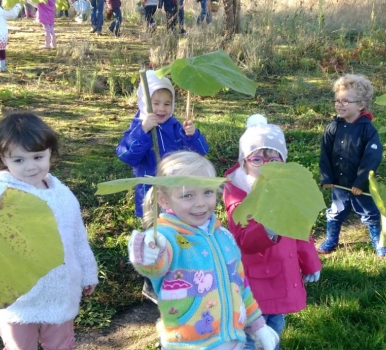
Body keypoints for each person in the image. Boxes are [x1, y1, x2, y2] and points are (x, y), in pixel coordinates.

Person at [0, 113, 99, 350]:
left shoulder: (62, 194)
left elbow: (77, 237)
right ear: (3, 159)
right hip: (17, 296)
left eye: (38, 157)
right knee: (20, 346)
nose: (30, 167)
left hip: (59, 289)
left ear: (50, 153)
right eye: (19, 160)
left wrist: (88, 272)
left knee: (61, 344)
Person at [127, 151, 280, 350]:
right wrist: (148, 254)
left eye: (207, 192)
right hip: (188, 345)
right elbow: (155, 266)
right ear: (164, 200)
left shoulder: (223, 236)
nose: (200, 203)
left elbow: (240, 285)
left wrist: (258, 326)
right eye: (188, 195)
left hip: (233, 342)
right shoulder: (167, 238)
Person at [223, 114, 323, 350]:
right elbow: (243, 240)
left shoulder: (287, 188)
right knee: (252, 335)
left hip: (283, 275)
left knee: (275, 326)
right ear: (244, 162)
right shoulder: (238, 193)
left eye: (273, 158)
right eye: (257, 159)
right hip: (256, 282)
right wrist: (268, 225)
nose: (266, 166)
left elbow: (300, 229)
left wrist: (310, 261)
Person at [116, 70, 208, 303]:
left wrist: (192, 135)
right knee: (154, 236)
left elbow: (199, 154)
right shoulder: (139, 126)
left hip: (178, 193)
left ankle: (177, 271)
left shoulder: (176, 126)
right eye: (155, 102)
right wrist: (143, 131)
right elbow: (126, 155)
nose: (162, 108)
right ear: (143, 102)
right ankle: (151, 281)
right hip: (150, 195)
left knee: (176, 231)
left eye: (167, 103)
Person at [317, 74, 386, 258]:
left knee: (369, 213)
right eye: (337, 100)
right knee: (335, 212)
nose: (340, 105)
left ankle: (378, 240)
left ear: (361, 105)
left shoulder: (368, 130)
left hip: (360, 186)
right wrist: (327, 177)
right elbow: (325, 153)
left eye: (346, 101)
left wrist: (361, 182)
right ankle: (331, 239)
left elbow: (371, 158)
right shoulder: (333, 127)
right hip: (340, 183)